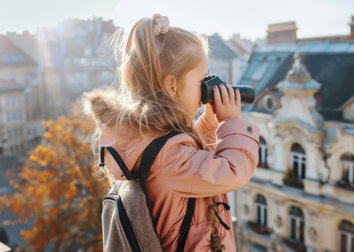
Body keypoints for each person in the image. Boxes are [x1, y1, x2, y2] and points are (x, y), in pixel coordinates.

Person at [83, 14, 259, 252]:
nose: (209, 84)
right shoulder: (169, 158)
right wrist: (231, 121)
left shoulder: (151, 139)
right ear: (171, 86)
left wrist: (208, 123)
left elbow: (188, 158)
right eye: (201, 78)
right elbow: (231, 171)